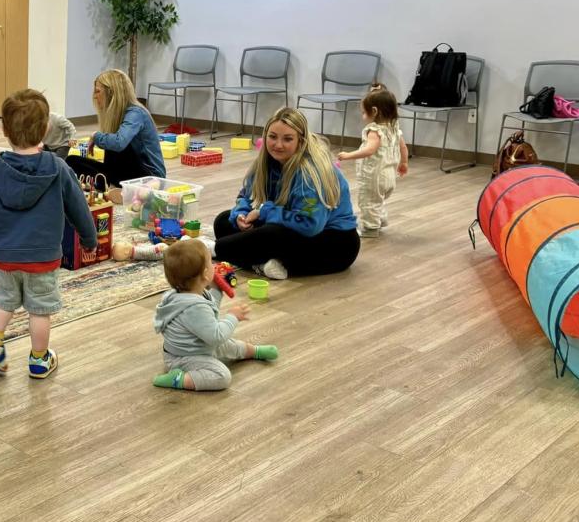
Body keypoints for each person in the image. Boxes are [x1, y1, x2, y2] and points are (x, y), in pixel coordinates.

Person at [0, 89, 97, 380]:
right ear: (45, 129)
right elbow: (79, 208)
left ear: (4, 130)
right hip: (42, 257)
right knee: (39, 310)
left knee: (4, 300)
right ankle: (40, 360)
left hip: (2, 256)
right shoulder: (58, 168)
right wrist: (89, 240)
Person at [213, 107, 359, 279]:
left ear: (301, 140)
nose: (278, 145)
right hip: (289, 230)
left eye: (288, 139)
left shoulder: (311, 172)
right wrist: (241, 214)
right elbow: (246, 196)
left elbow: (310, 225)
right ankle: (263, 264)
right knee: (223, 221)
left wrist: (264, 212)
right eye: (272, 137)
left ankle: (214, 251)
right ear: (265, 135)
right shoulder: (267, 163)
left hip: (333, 242)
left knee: (272, 234)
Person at [152, 239, 278, 391]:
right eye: (211, 263)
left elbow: (209, 311)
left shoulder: (187, 294)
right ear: (206, 274)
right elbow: (216, 335)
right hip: (184, 357)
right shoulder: (193, 307)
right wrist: (233, 317)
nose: (214, 266)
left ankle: (255, 352)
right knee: (222, 376)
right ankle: (178, 379)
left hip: (196, 346)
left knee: (229, 344)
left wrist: (217, 290)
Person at [66, 69, 165, 203]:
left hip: (151, 178)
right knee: (71, 161)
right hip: (125, 175)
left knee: (115, 143)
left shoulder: (135, 113)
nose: (95, 96)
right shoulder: (118, 115)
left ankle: (124, 190)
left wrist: (96, 136)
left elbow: (119, 143)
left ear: (111, 93)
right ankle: (113, 188)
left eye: (98, 91)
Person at [339, 84, 409, 238]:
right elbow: (403, 147)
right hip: (389, 175)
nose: (363, 116)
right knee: (378, 199)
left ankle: (370, 228)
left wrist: (348, 155)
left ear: (375, 111)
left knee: (368, 201)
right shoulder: (394, 128)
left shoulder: (375, 130)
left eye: (364, 112)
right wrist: (404, 164)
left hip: (374, 176)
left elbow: (369, 150)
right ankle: (380, 220)